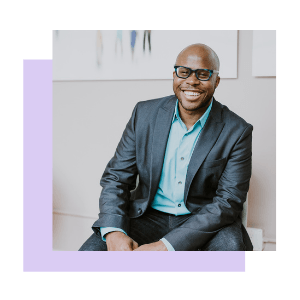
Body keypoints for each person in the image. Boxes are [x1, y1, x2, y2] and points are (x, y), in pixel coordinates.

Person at [79, 43, 253, 251]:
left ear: (216, 81)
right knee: (88, 256)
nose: (192, 81)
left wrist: (166, 246)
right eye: (184, 72)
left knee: (231, 250)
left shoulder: (237, 131)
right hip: (147, 215)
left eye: (203, 74)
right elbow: (116, 177)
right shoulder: (144, 114)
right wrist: (114, 231)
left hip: (204, 220)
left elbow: (228, 202)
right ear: (174, 75)